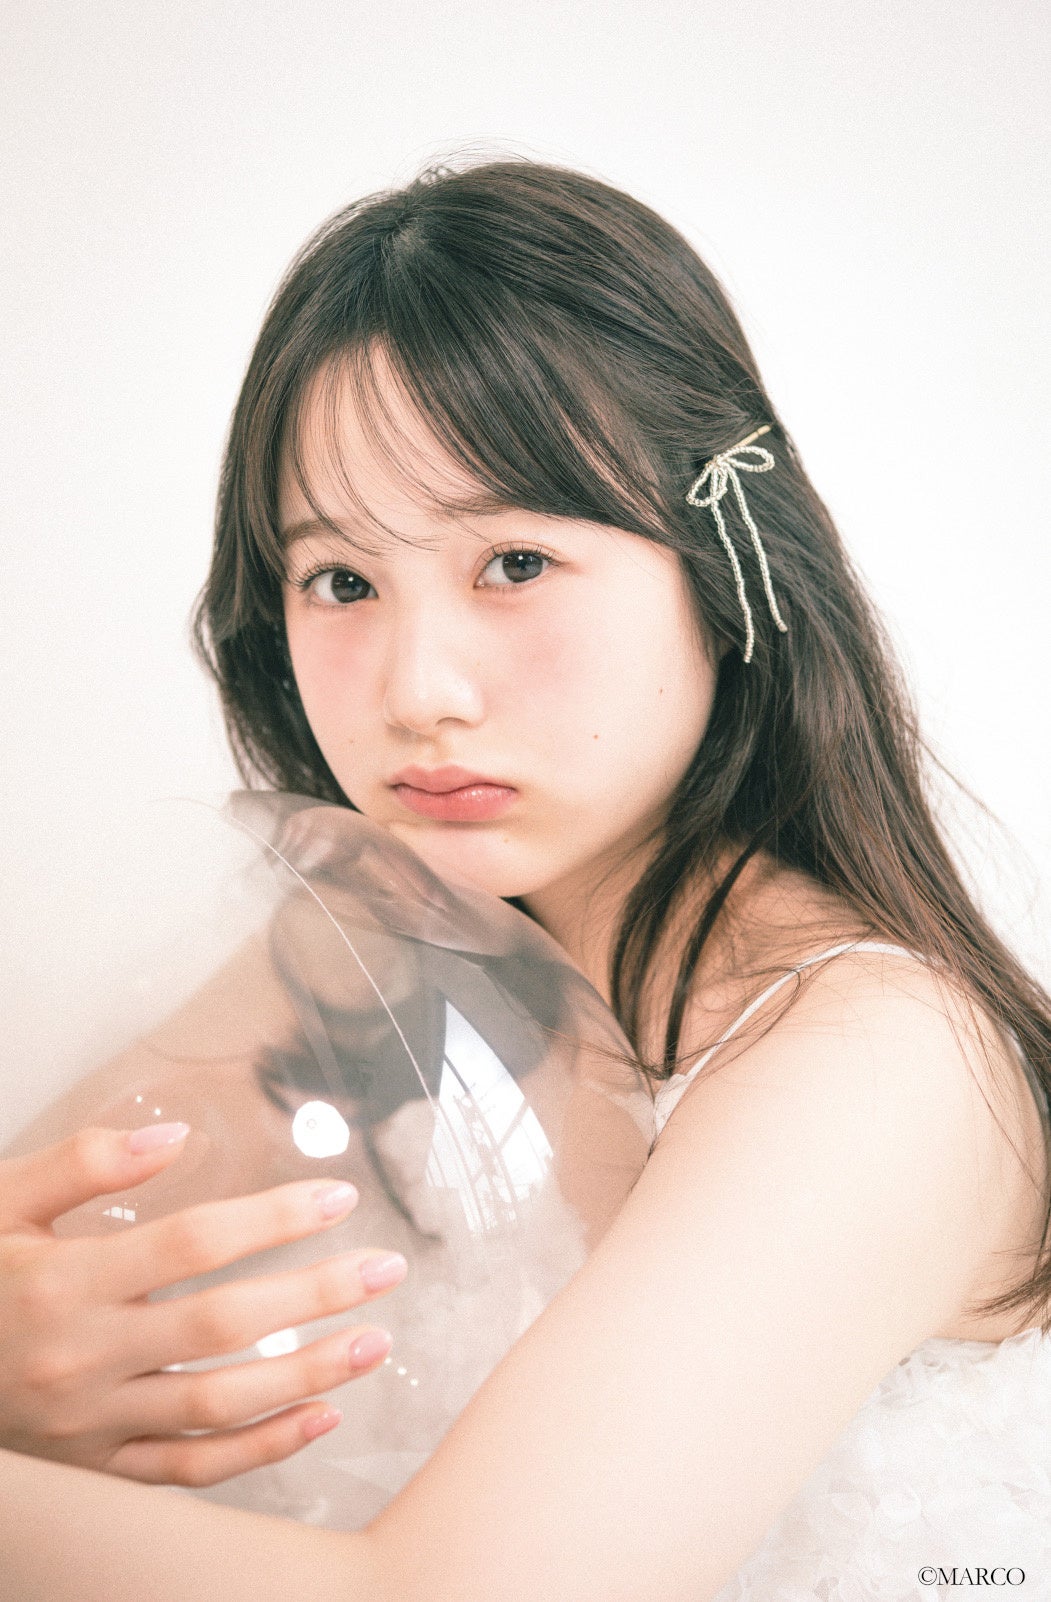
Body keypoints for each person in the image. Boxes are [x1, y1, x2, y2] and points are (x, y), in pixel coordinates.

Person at [1, 156, 1049, 1599]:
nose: (418, 692)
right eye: (341, 581)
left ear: (724, 570)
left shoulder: (881, 1058)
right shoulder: (355, 956)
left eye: (513, 563)